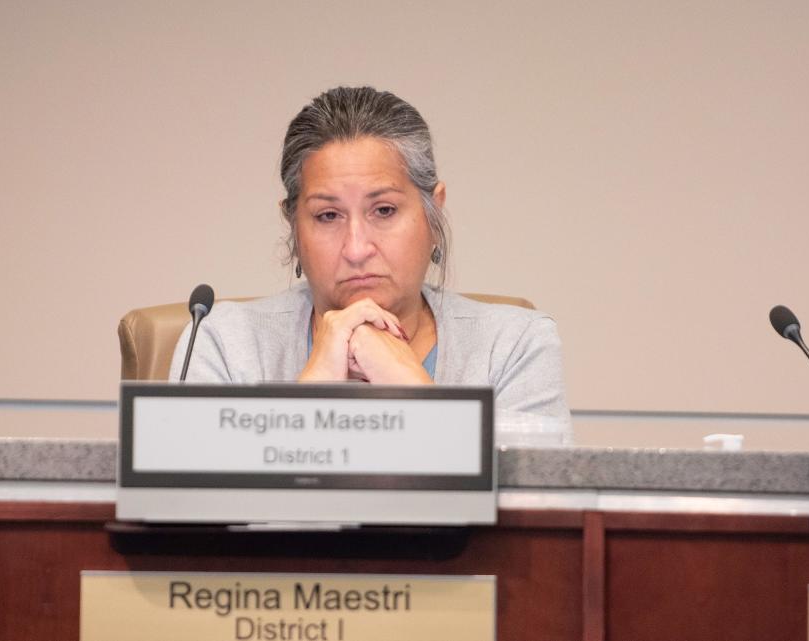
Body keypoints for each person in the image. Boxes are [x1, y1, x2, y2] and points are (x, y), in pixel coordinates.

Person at [171, 86, 570, 430]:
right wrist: (314, 388)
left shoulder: (514, 344)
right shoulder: (223, 342)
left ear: (434, 212)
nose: (357, 249)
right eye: (328, 216)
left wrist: (411, 387)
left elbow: (535, 508)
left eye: (384, 211)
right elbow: (188, 507)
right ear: (293, 224)